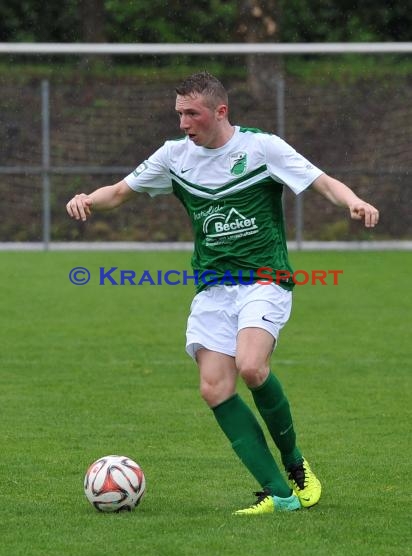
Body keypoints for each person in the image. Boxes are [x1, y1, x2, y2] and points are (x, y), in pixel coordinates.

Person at [66, 71, 379, 515]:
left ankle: (295, 465)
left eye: (191, 114)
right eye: (179, 114)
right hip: (213, 289)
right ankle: (281, 496)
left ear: (220, 111)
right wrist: (87, 199)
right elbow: (119, 192)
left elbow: (322, 181)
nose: (183, 124)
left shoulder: (260, 147)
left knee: (252, 367)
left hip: (264, 280)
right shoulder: (174, 157)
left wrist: (352, 201)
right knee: (214, 388)